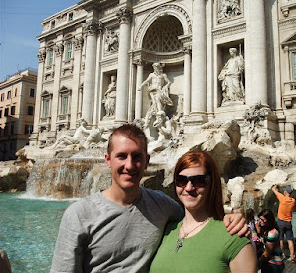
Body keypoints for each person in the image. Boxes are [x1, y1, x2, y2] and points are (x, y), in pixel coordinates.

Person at [51, 124, 247, 272]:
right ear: (107, 160)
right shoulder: (78, 215)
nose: (130, 165)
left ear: (147, 162)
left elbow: (196, 219)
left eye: (137, 157)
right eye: (121, 156)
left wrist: (227, 218)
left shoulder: (163, 206)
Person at [150, 151, 257, 273]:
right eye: (181, 180)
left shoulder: (233, 235)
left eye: (198, 180)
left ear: (211, 183)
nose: (189, 187)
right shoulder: (166, 230)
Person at [139, 62, 173, 128]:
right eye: (154, 68)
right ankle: (158, 114)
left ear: (159, 68)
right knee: (154, 102)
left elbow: (169, 82)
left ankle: (159, 113)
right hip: (152, 90)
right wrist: (141, 86)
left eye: (156, 67)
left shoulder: (163, 75)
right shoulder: (152, 75)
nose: (155, 69)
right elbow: (146, 81)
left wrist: (165, 86)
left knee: (157, 99)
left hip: (159, 90)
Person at [272, 184, 296, 262]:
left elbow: (273, 189)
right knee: (290, 240)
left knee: (281, 239)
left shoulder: (282, 198)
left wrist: (277, 185)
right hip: (288, 223)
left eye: (285, 191)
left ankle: (281, 256)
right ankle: (292, 257)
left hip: (281, 222)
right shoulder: (293, 201)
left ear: (285, 192)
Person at [258, 209, 284, 273]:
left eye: (262, 220)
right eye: (259, 219)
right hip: (271, 263)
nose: (260, 221)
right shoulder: (267, 229)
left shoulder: (272, 233)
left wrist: (258, 262)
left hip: (273, 264)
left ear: (268, 220)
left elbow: (267, 254)